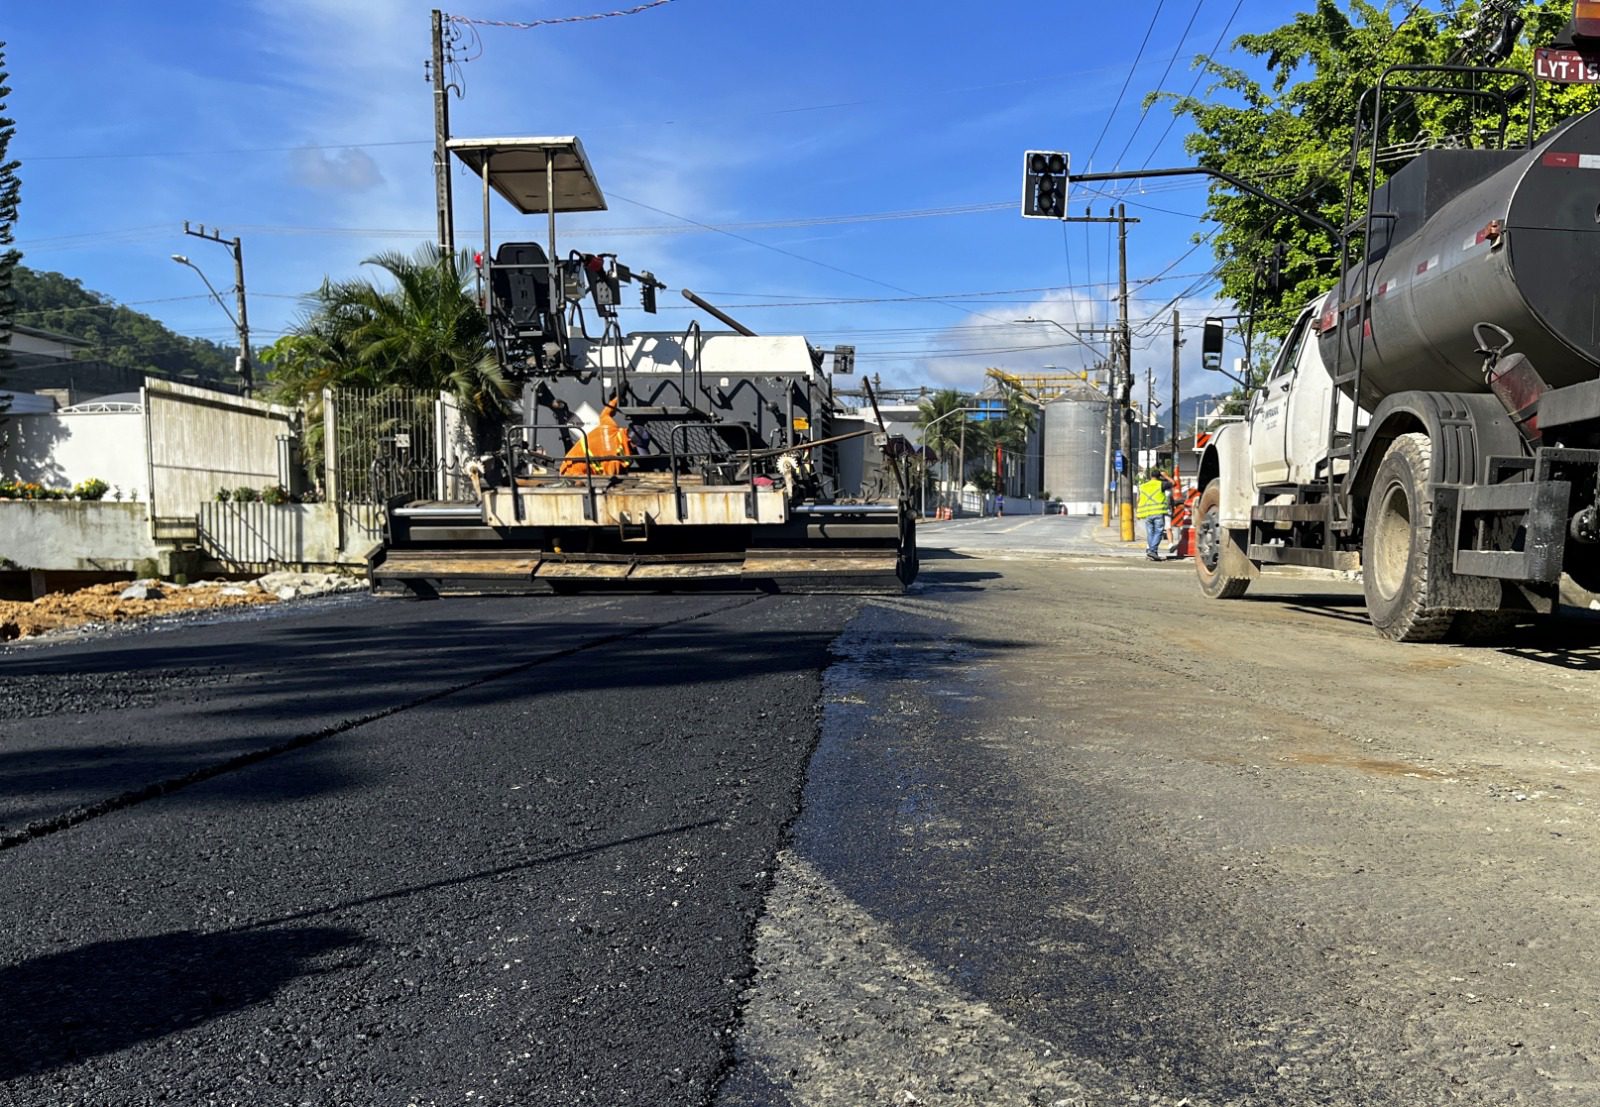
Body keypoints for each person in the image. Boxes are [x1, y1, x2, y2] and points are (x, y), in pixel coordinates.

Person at [1135, 467, 1173, 561]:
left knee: (1150, 533)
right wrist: (1166, 476)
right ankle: (1152, 551)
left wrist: (1138, 512)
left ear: (1150, 476)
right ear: (1159, 476)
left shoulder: (1143, 486)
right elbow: (1173, 483)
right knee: (1158, 532)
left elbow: (1138, 499)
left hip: (1147, 512)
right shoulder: (1161, 484)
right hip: (1158, 512)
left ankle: (1152, 552)